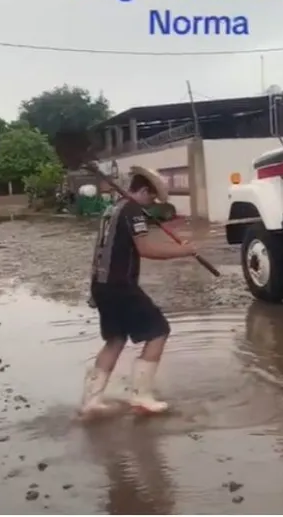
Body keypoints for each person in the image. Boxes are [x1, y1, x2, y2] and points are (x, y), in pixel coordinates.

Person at [80, 166, 197, 417]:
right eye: (152, 198)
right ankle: (141, 397)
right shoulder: (133, 211)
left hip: (101, 284)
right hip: (121, 285)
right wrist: (183, 251)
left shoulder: (112, 209)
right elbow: (145, 249)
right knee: (159, 331)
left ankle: (91, 400)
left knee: (116, 339)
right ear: (143, 190)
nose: (152, 203)